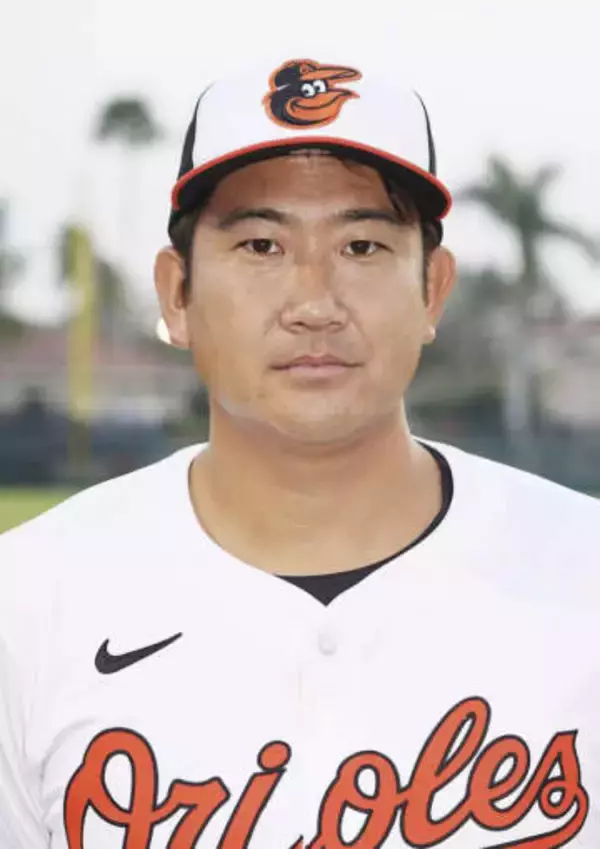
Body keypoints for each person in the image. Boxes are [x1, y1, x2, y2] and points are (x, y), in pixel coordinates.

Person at [1, 57, 599, 849]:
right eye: (261, 245)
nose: (315, 303)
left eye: (362, 246)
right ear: (177, 293)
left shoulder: (584, 574)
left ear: (433, 289)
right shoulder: (25, 605)